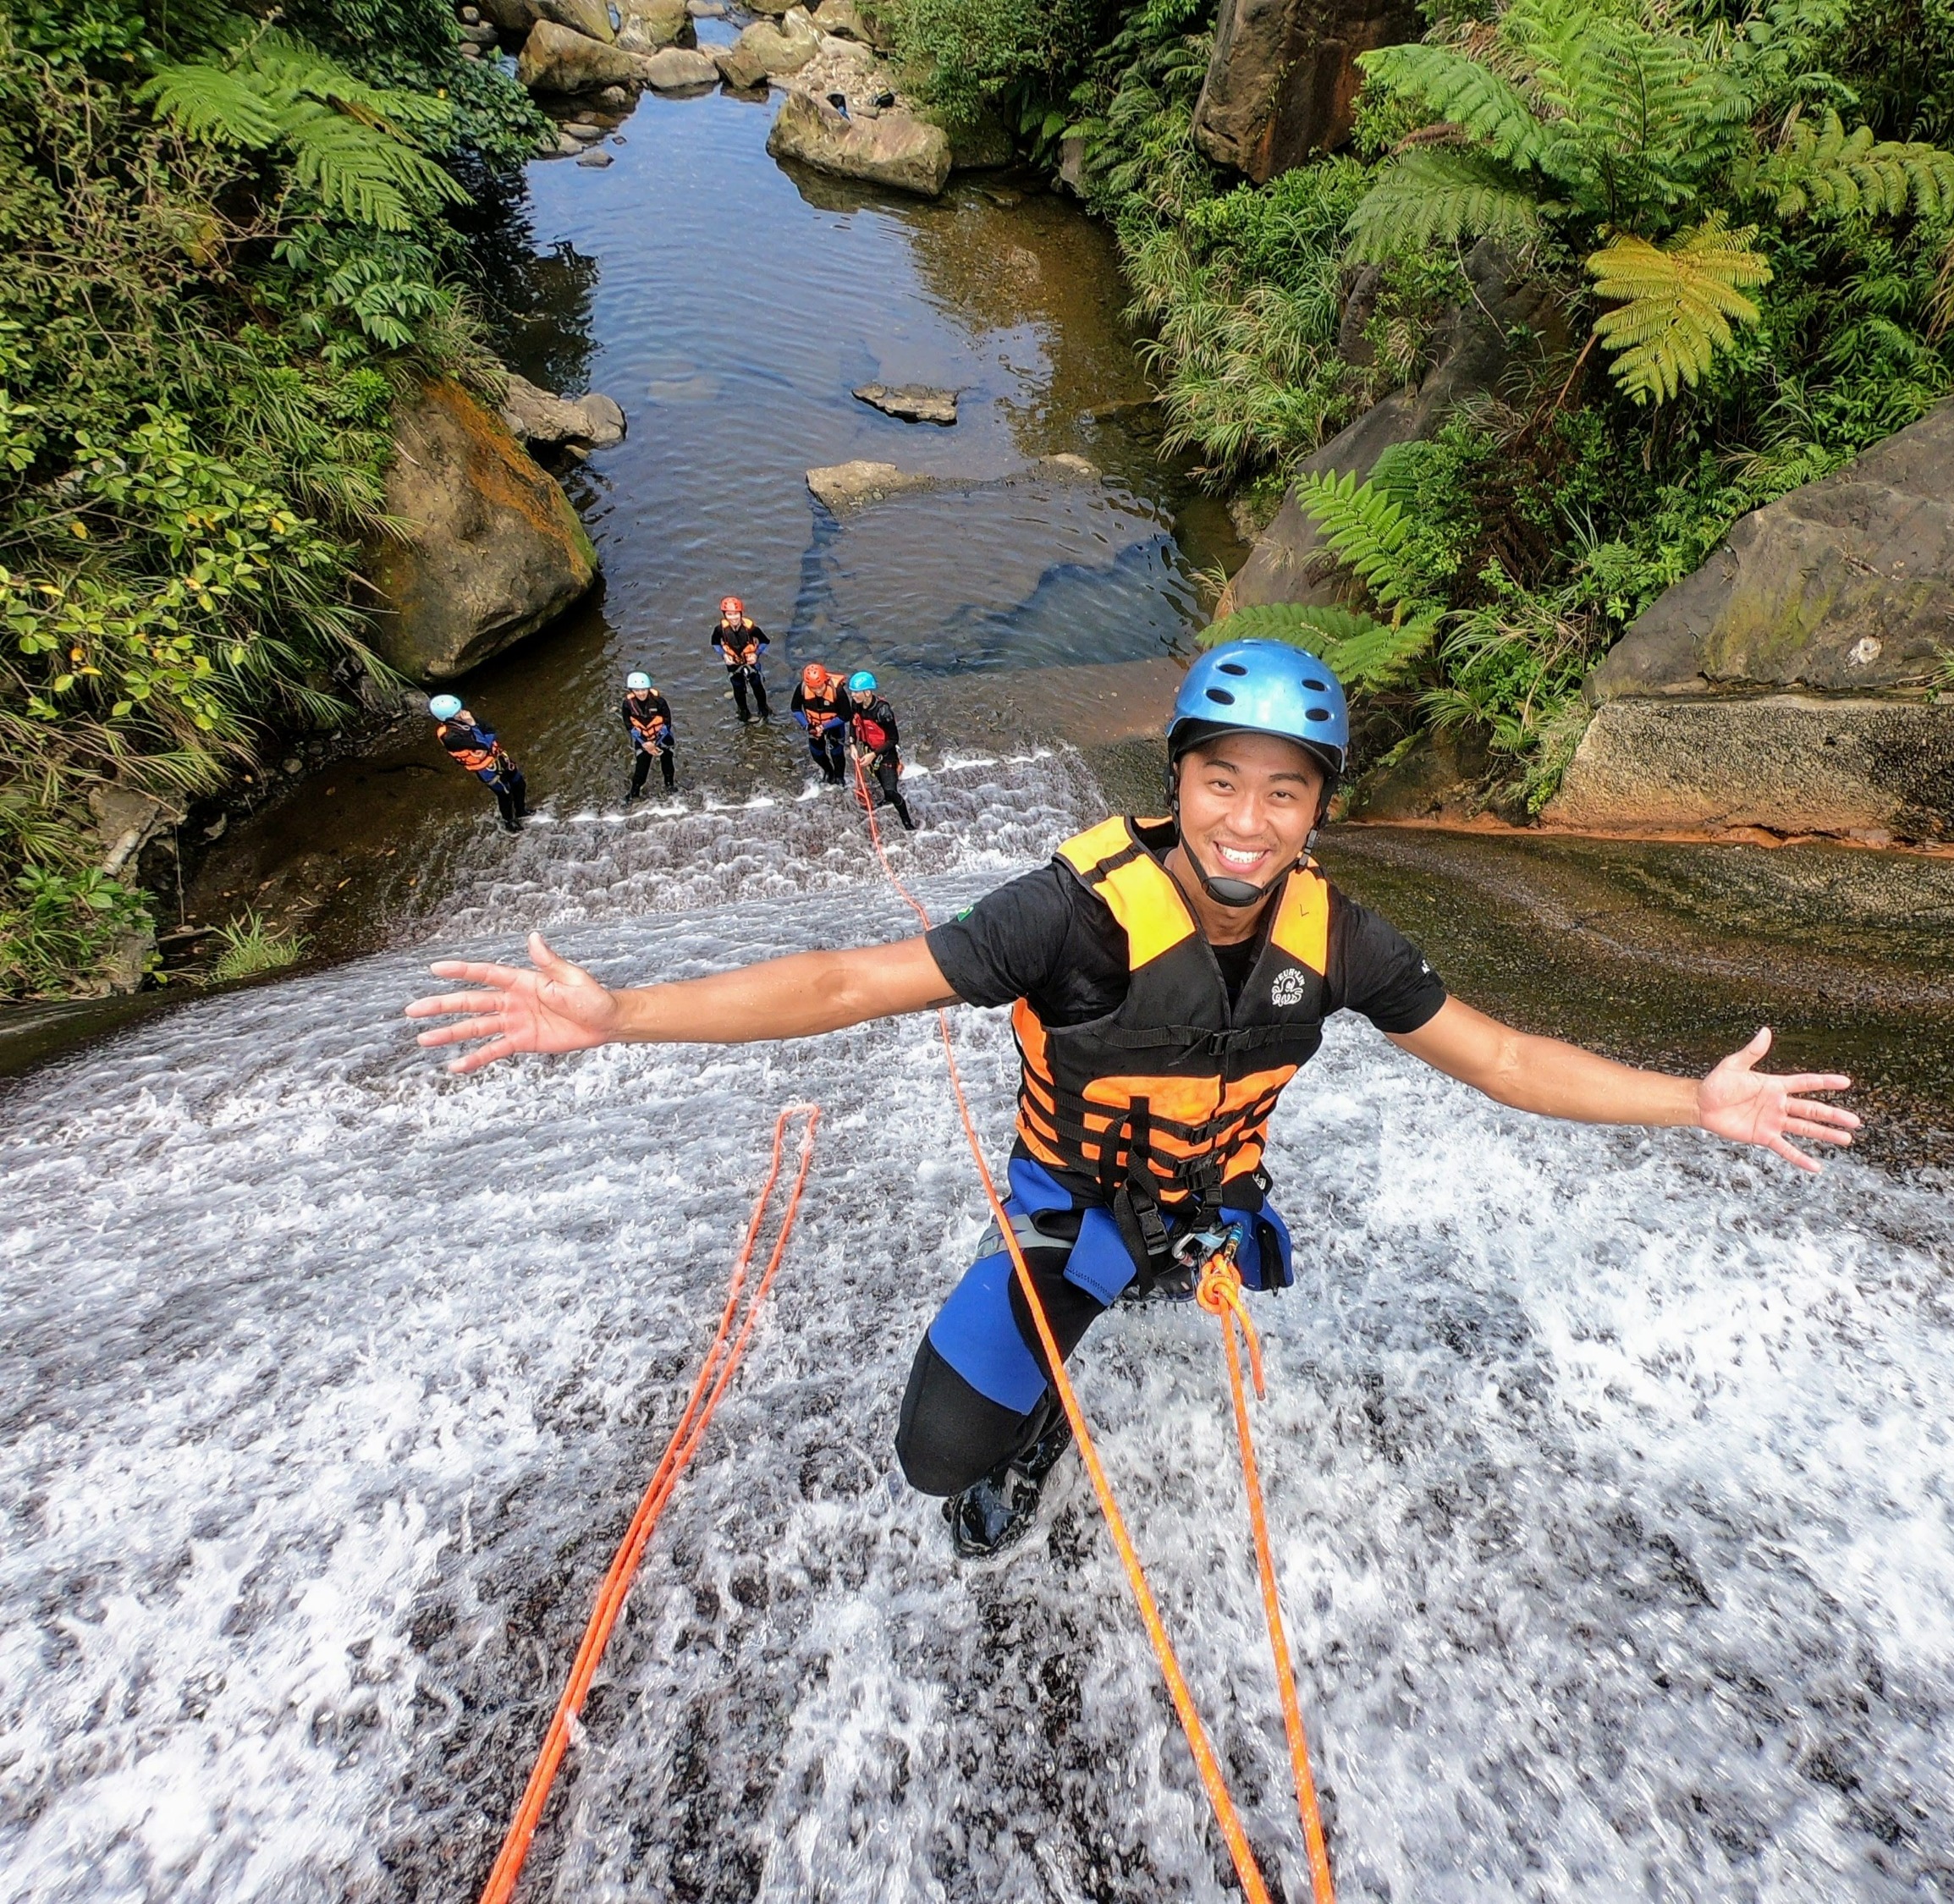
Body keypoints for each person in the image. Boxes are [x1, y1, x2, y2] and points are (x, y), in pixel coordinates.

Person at [406, 641, 1859, 1557]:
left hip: (1213, 1208)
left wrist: (1693, 1101)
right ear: (1176, 782)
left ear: (1317, 811)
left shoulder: (1338, 940)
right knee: (939, 1459)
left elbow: (1503, 1058)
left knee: (1182, 1258)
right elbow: (851, 981)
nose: (1247, 819)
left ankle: (1171, 1276)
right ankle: (1040, 1418)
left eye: (1283, 793)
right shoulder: (1069, 917)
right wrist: (622, 1018)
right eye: (1220, 780)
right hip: (1069, 1213)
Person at [431, 693, 529, 833]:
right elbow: (483, 744)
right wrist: (473, 726)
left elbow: (491, 731)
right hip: (487, 770)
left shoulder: (465, 718)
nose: (462, 713)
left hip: (499, 758)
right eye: (457, 712)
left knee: (519, 784)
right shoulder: (450, 737)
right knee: (505, 794)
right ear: (448, 718)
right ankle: (509, 821)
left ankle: (521, 811)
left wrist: (479, 734)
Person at [844, 669, 916, 831]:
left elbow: (893, 739)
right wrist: (853, 745)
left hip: (886, 753)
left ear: (867, 692)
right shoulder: (856, 704)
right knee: (881, 781)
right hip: (870, 749)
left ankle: (907, 823)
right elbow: (854, 724)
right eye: (852, 692)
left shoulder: (884, 712)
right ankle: (886, 798)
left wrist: (873, 755)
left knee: (891, 790)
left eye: (856, 692)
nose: (853, 695)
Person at [713, 597, 771, 724]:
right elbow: (715, 644)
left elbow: (765, 641)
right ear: (725, 615)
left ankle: (764, 710)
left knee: (757, 686)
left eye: (736, 614)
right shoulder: (720, 630)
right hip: (734, 665)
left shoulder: (751, 629)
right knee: (738, 689)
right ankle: (744, 713)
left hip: (751, 663)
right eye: (729, 614)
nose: (733, 618)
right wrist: (724, 655)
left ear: (741, 613)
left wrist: (756, 654)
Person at [791, 663, 848, 784]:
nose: (818, 691)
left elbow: (845, 715)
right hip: (813, 726)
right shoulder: (801, 689)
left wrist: (824, 726)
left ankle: (839, 777)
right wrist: (807, 725)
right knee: (817, 753)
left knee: (836, 753)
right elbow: (795, 709)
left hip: (835, 726)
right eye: (813, 688)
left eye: (820, 687)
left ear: (825, 680)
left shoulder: (837, 691)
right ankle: (828, 771)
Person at [623, 673, 676, 800]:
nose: (641, 693)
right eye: (637, 690)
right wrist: (644, 743)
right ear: (632, 690)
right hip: (643, 740)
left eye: (644, 690)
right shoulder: (627, 705)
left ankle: (669, 786)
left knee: (667, 763)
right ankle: (634, 792)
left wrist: (655, 743)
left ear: (649, 689)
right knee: (641, 769)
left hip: (662, 738)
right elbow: (629, 726)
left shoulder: (659, 702)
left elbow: (667, 724)